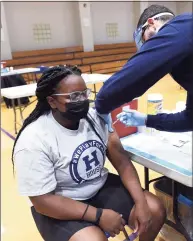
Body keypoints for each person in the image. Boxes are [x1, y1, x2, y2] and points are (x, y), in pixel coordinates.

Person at [12, 65, 165, 241]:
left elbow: (122, 162)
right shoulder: (34, 139)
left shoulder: (95, 118)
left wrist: (141, 203)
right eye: (74, 96)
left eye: (85, 93)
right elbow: (42, 201)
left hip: (98, 186)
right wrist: (98, 215)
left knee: (155, 210)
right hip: (60, 200)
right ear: (52, 101)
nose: (83, 100)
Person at [95, 5, 193, 132]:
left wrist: (101, 104)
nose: (148, 47)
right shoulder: (185, 57)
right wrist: (146, 120)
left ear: (151, 23)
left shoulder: (181, 27)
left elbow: (134, 76)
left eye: (145, 40)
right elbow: (190, 120)